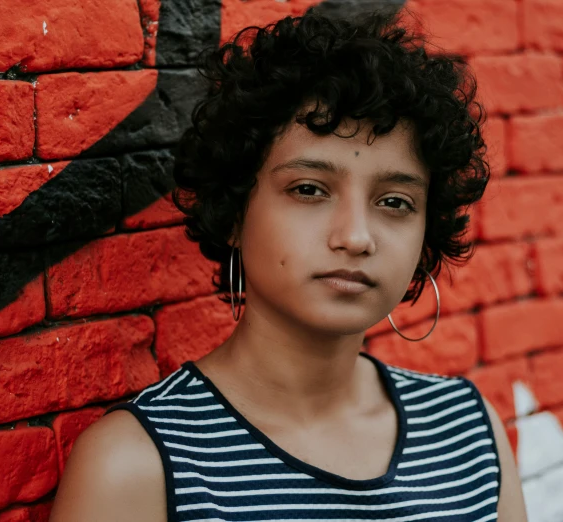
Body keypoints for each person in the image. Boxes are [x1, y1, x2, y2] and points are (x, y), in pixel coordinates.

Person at [50, 7, 527, 522]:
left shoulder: (468, 432)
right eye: (308, 189)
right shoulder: (142, 467)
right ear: (235, 211)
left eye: (394, 202)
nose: (356, 237)